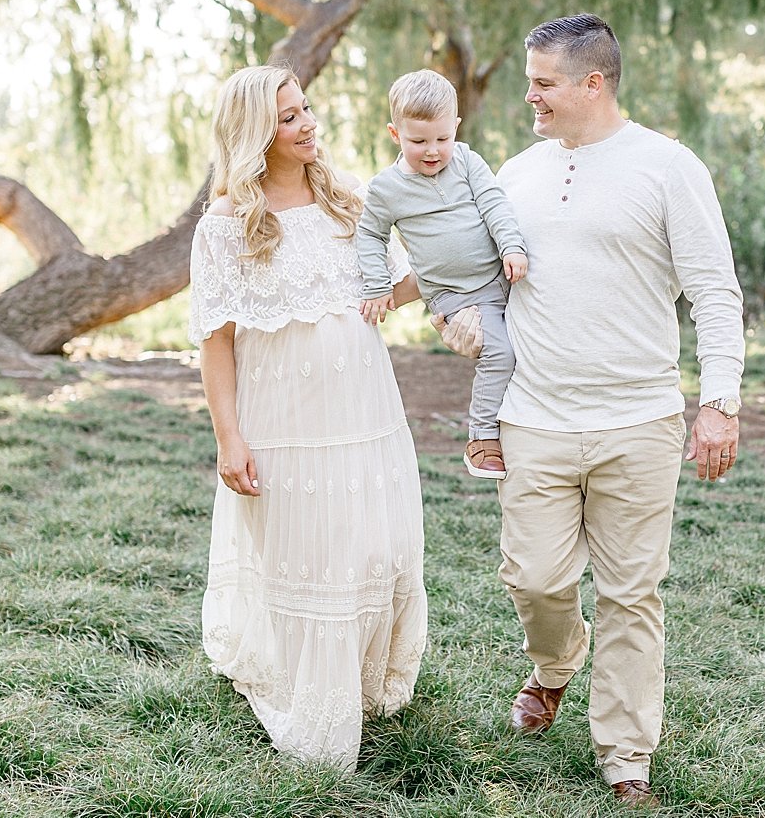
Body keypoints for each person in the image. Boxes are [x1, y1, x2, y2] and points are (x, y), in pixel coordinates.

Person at [493, 13, 745, 807]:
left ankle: (626, 753)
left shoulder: (667, 167)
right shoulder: (515, 173)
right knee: (533, 579)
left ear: (592, 83)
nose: (529, 95)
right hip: (532, 415)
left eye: (543, 82)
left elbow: (713, 291)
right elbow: (477, 277)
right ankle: (558, 661)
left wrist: (720, 403)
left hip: (637, 419)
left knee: (634, 593)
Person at [188, 64, 427, 768]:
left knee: (372, 547)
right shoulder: (226, 225)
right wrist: (229, 438)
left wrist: (453, 260)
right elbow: (215, 341)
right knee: (310, 554)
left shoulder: (348, 197)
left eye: (307, 109)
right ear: (256, 134)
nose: (308, 124)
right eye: (290, 117)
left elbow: (399, 285)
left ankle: (366, 678)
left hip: (366, 407)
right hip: (284, 419)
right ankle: (311, 694)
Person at [355, 69, 528, 480]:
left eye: (441, 139)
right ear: (395, 134)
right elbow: (369, 234)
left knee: (532, 343)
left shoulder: (467, 160)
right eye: (418, 141)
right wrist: (379, 287)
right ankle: (482, 437)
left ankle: (530, 425)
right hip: (454, 295)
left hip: (500, 277)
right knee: (499, 351)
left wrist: (512, 246)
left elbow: (495, 205)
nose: (432, 151)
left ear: (456, 127)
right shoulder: (385, 189)